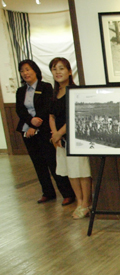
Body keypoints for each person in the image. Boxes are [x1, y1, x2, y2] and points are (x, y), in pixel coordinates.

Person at [15, 60, 74, 205]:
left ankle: (67, 193)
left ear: (35, 71)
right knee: (38, 163)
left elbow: (47, 108)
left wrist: (36, 125)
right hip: (27, 131)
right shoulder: (21, 91)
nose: (25, 73)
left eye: (28, 69)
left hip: (44, 130)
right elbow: (20, 110)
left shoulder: (45, 87)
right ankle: (47, 192)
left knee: (52, 162)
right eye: (22, 71)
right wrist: (30, 122)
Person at [48, 57, 92, 219]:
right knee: (71, 172)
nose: (58, 72)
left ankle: (86, 203)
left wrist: (59, 133)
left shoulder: (75, 91)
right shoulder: (54, 93)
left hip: (77, 138)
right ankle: (79, 201)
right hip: (61, 140)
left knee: (82, 171)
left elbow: (76, 116)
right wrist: (55, 134)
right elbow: (51, 116)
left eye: (61, 68)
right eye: (54, 69)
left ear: (69, 71)